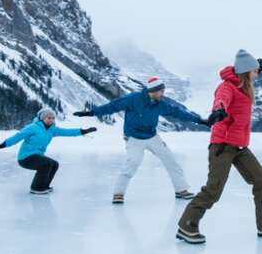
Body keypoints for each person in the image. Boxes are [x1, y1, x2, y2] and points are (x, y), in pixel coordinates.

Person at [177, 50, 262, 244]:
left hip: (240, 147)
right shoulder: (227, 86)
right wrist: (219, 110)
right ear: (246, 71)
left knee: (261, 180)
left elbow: (250, 76)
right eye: (255, 71)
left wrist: (257, 66)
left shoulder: (244, 87)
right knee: (214, 189)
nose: (258, 74)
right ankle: (187, 225)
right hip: (222, 145)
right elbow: (221, 100)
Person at [73, 77, 226, 204]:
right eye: (161, 91)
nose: (162, 94)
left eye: (163, 91)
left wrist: (200, 121)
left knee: (170, 160)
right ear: (152, 91)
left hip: (152, 137)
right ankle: (118, 193)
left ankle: (181, 190)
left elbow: (178, 113)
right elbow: (112, 106)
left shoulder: (161, 104)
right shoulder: (133, 99)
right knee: (133, 163)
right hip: (133, 138)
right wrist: (91, 113)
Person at [0, 108, 97, 193]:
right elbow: (18, 136)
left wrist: (82, 131)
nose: (51, 120)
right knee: (46, 164)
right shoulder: (33, 127)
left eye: (52, 118)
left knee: (54, 164)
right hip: (26, 157)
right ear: (42, 118)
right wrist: (3, 144)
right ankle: (36, 188)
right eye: (48, 118)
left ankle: (44, 186)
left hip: (37, 156)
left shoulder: (52, 130)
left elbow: (67, 132)